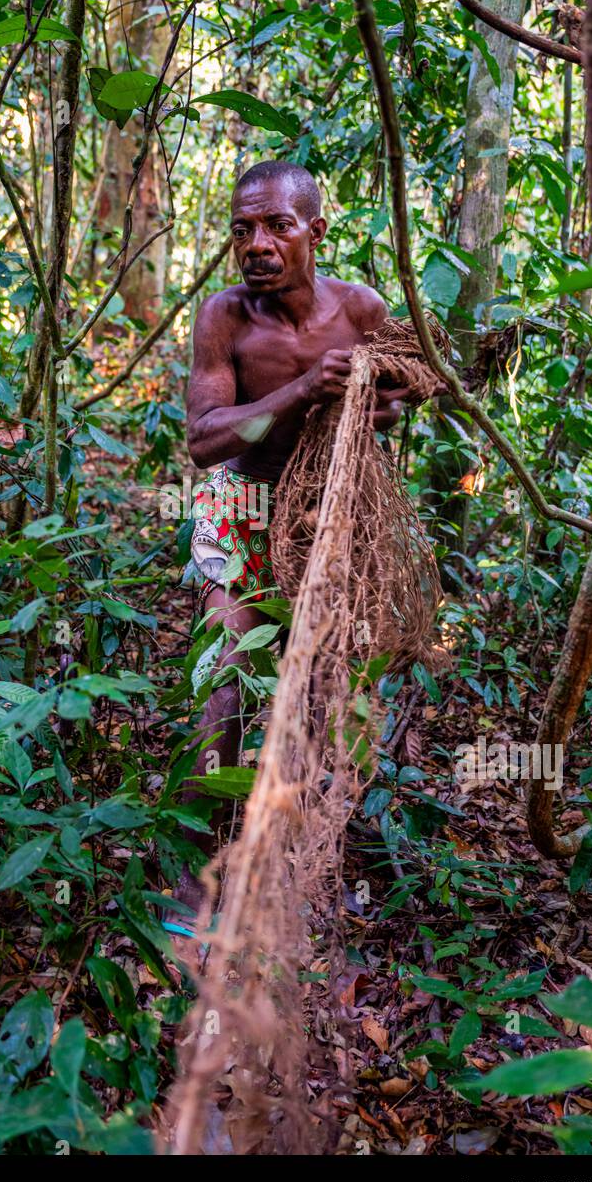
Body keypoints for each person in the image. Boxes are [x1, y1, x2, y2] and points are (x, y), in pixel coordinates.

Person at [175, 160, 410, 908]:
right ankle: (199, 867)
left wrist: (377, 409)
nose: (258, 244)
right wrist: (304, 389)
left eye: (277, 225)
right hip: (242, 503)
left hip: (328, 516)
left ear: (317, 231)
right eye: (243, 229)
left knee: (327, 683)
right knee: (224, 677)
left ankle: (317, 855)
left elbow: (408, 384)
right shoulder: (224, 319)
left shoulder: (363, 309)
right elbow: (206, 440)